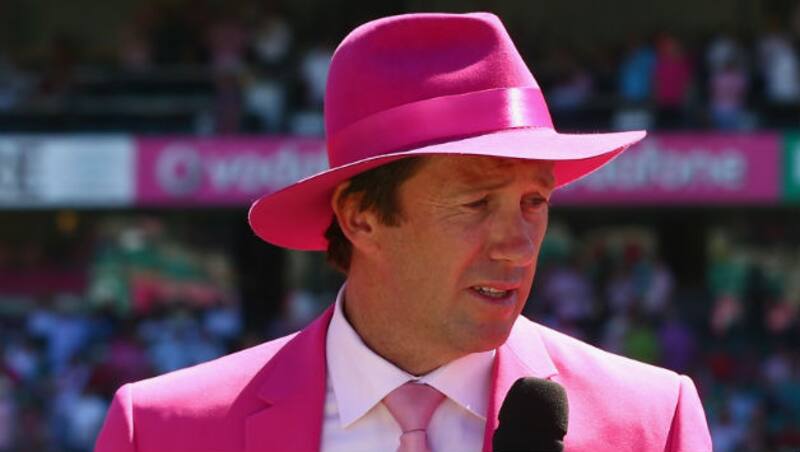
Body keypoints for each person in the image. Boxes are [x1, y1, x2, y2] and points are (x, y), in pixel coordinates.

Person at [95, 12, 712, 452]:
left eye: (534, 201)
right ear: (360, 217)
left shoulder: (652, 423)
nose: (520, 244)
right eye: (475, 203)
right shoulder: (158, 431)